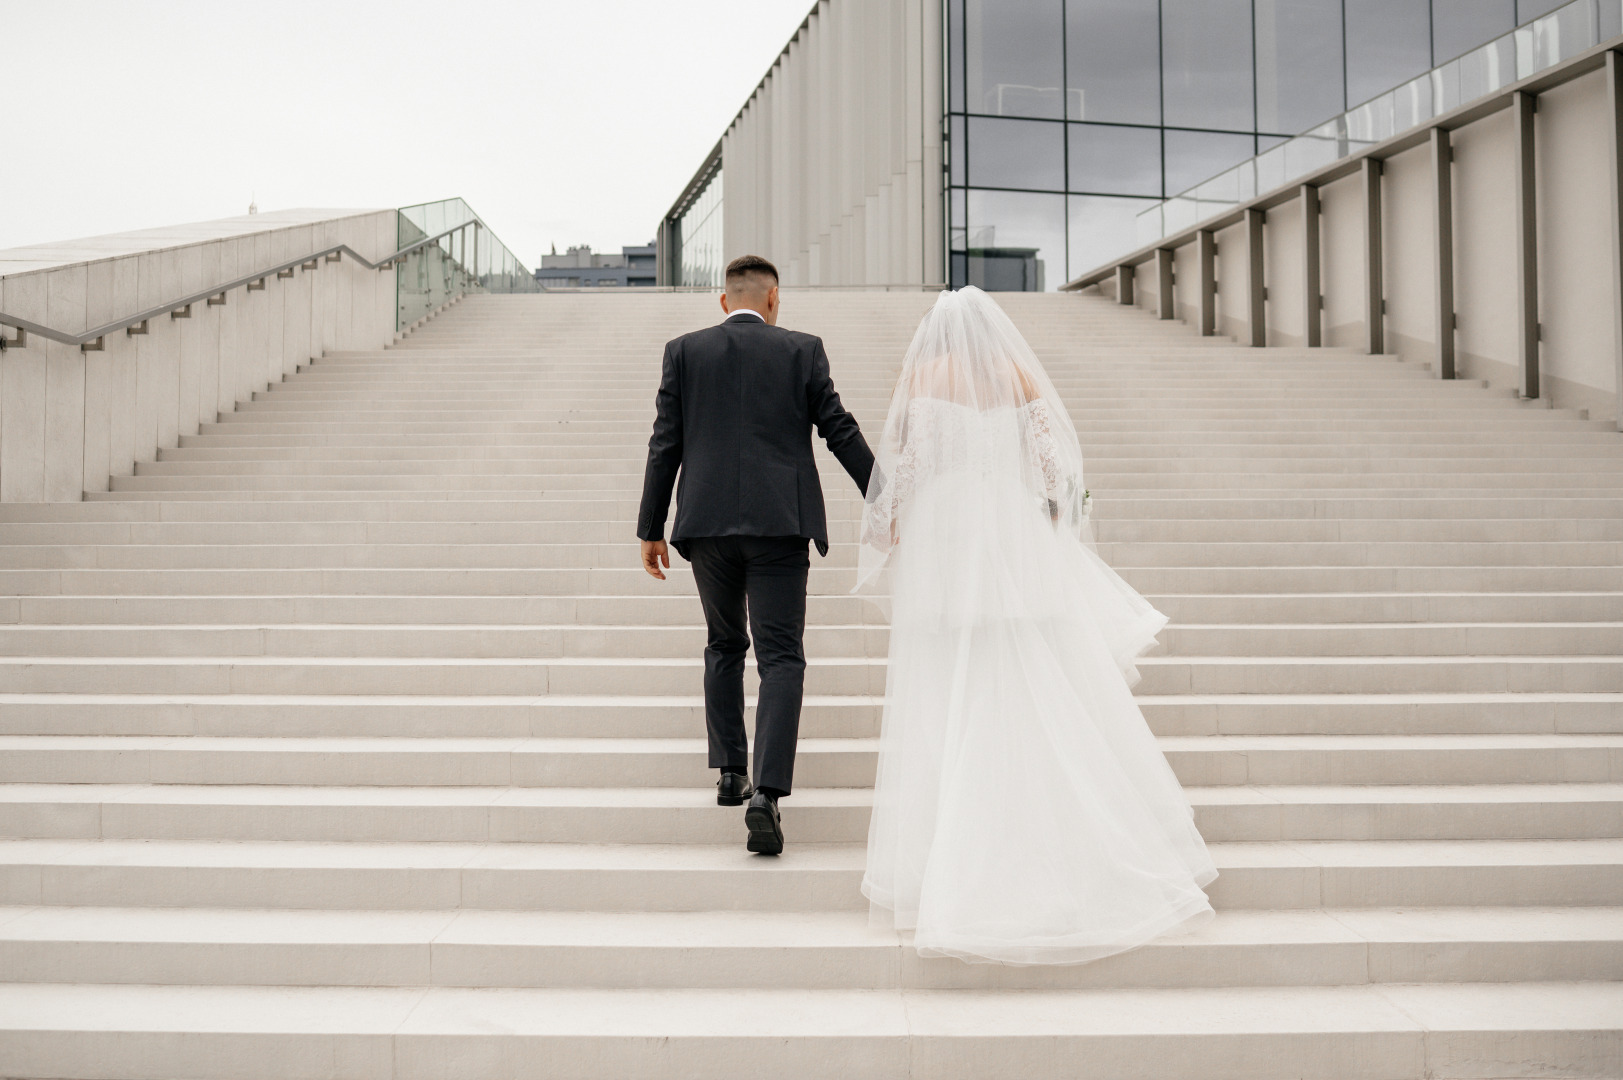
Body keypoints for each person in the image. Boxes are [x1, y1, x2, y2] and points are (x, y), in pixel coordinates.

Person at [855, 286, 1217, 964]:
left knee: (946, 684)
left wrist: (885, 528)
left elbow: (906, 470)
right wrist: (1048, 531)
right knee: (1021, 680)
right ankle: (1044, 829)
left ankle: (954, 838)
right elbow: (1055, 475)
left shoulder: (924, 377)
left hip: (947, 540)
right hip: (1011, 536)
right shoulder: (1017, 376)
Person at [637, 254, 874, 855]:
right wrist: (884, 496)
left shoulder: (684, 351)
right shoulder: (802, 349)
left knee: (723, 643)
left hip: (707, 525)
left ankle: (729, 773)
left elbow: (665, 442)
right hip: (779, 525)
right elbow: (837, 427)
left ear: (725, 301)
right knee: (780, 657)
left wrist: (651, 526)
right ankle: (767, 793)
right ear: (774, 299)